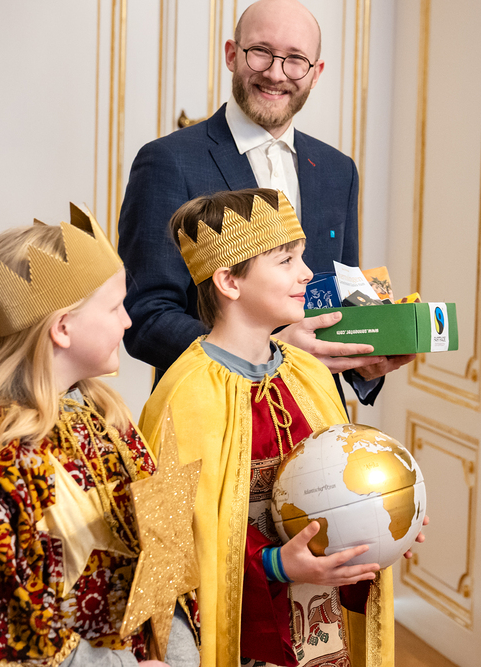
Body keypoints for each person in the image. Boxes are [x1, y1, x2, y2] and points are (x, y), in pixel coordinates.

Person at [139, 189, 421, 667]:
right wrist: (274, 564)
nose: (307, 273)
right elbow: (175, 542)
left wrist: (387, 518)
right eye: (286, 260)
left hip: (320, 623)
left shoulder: (307, 371)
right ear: (229, 281)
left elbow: (338, 480)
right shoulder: (186, 394)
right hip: (247, 631)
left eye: (302, 256)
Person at [117, 0, 412, 397]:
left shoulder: (338, 170)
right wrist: (268, 354)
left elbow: (339, 308)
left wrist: (365, 363)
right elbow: (146, 317)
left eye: (296, 60)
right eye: (260, 52)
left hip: (318, 414)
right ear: (231, 54)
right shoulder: (168, 161)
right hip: (211, 414)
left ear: (316, 73)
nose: (275, 73)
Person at [0, 207, 199, 666]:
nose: (128, 322)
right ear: (63, 328)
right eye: (114, 308)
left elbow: (165, 560)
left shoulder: (110, 421)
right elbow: (15, 624)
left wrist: (179, 656)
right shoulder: (4, 456)